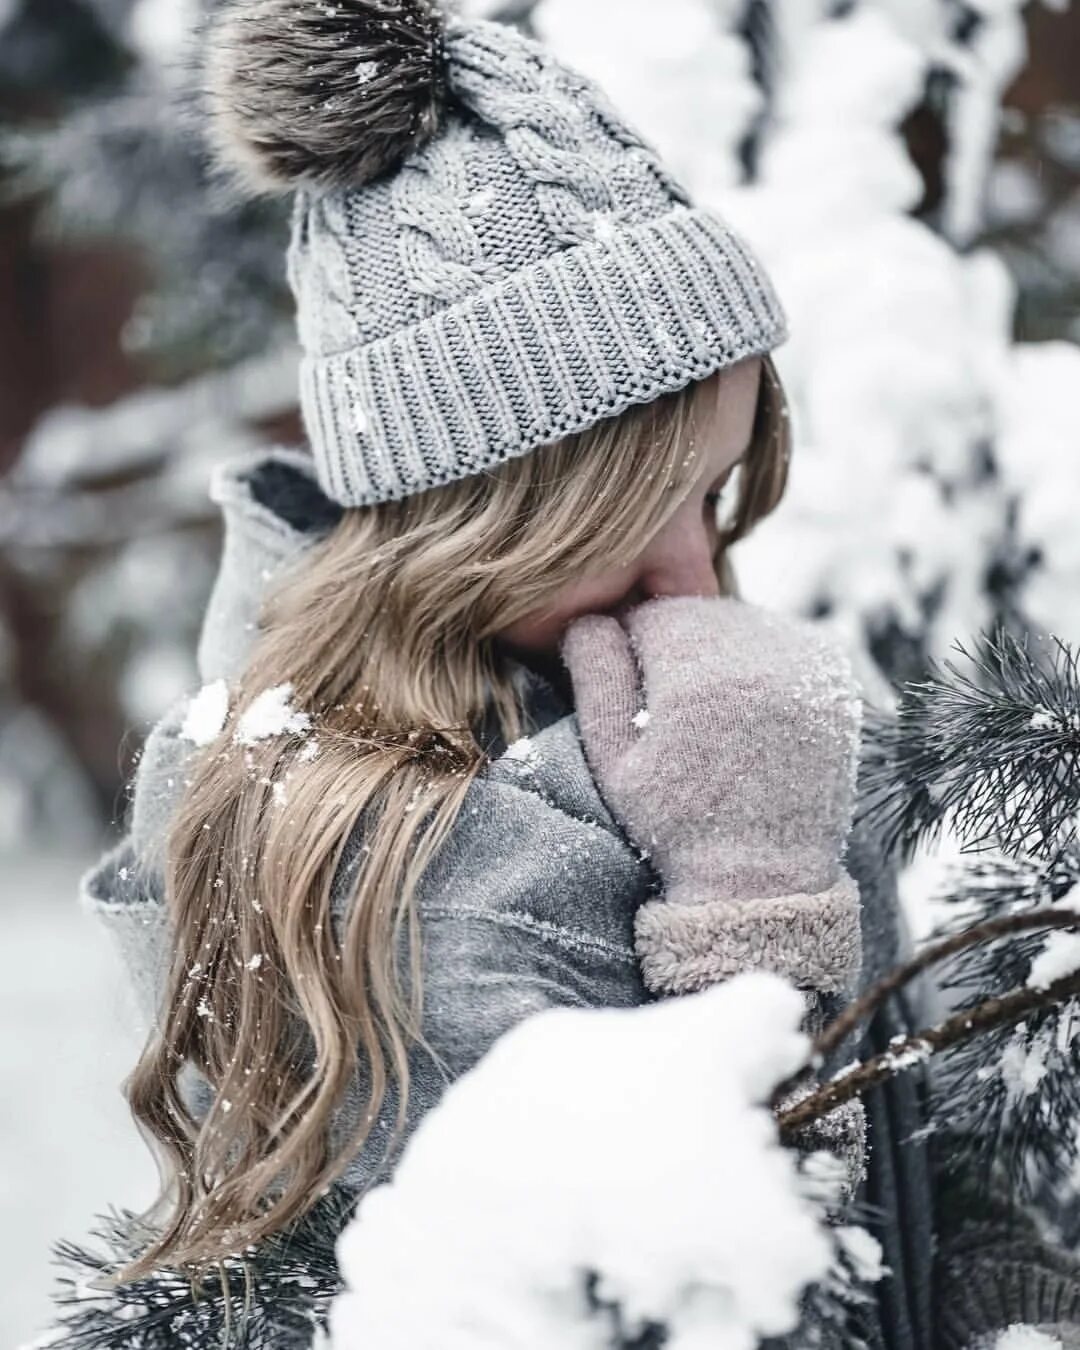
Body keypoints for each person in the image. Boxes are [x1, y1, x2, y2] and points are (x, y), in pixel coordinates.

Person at [76, 2, 1080, 1346]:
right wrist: (752, 899)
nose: (698, 573)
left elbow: (916, 1164)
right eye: (630, 518)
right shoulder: (415, 863)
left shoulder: (618, 690)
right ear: (472, 520)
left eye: (715, 495)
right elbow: (709, 1298)